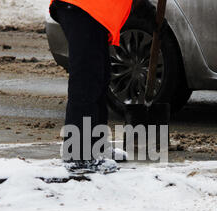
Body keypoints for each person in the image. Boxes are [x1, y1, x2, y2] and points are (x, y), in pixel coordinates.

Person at [49, 0, 155, 173]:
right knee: (86, 80)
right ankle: (77, 155)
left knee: (100, 76)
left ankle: (96, 146)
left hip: (91, 10)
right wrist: (148, 12)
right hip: (82, 7)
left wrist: (150, 14)